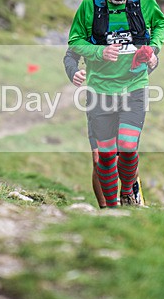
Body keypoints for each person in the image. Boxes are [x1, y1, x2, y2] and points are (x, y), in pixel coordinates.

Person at [68, 0, 164, 207]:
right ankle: (112, 209)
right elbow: (75, 42)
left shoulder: (143, 0)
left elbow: (160, 25)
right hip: (100, 90)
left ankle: (127, 192)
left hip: (134, 86)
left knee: (127, 145)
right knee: (105, 156)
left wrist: (153, 50)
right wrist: (99, 52)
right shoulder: (89, 5)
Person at [63, 48, 154, 208]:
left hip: (129, 98)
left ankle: (132, 193)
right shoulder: (92, 24)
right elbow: (71, 55)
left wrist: (143, 68)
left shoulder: (133, 24)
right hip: (99, 100)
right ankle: (108, 210)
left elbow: (150, 55)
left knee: (125, 152)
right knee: (99, 158)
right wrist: (74, 72)